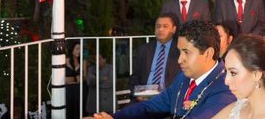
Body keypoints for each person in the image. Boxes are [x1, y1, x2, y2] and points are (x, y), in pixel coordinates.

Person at [93, 20, 235, 119]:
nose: (180, 59)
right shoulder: (183, 78)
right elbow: (151, 107)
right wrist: (113, 117)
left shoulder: (226, 86)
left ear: (208, 53)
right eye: (179, 52)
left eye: (186, 52)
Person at [212, 34, 265, 119]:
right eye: (226, 71)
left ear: (257, 74)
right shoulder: (235, 109)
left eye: (233, 73)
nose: (226, 81)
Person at [129, 13, 181, 96]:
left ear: (174, 29)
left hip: (169, 98)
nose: (160, 29)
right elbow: (135, 77)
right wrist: (138, 94)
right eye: (158, 26)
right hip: (144, 97)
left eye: (165, 26)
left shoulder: (180, 50)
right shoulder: (144, 49)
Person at [66, 41, 88, 119]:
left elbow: (84, 78)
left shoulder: (83, 61)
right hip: (69, 91)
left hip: (80, 90)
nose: (79, 51)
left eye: (80, 49)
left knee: (80, 112)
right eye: (77, 49)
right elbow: (63, 80)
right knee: (69, 113)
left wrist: (72, 79)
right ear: (72, 49)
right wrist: (75, 78)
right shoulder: (65, 60)